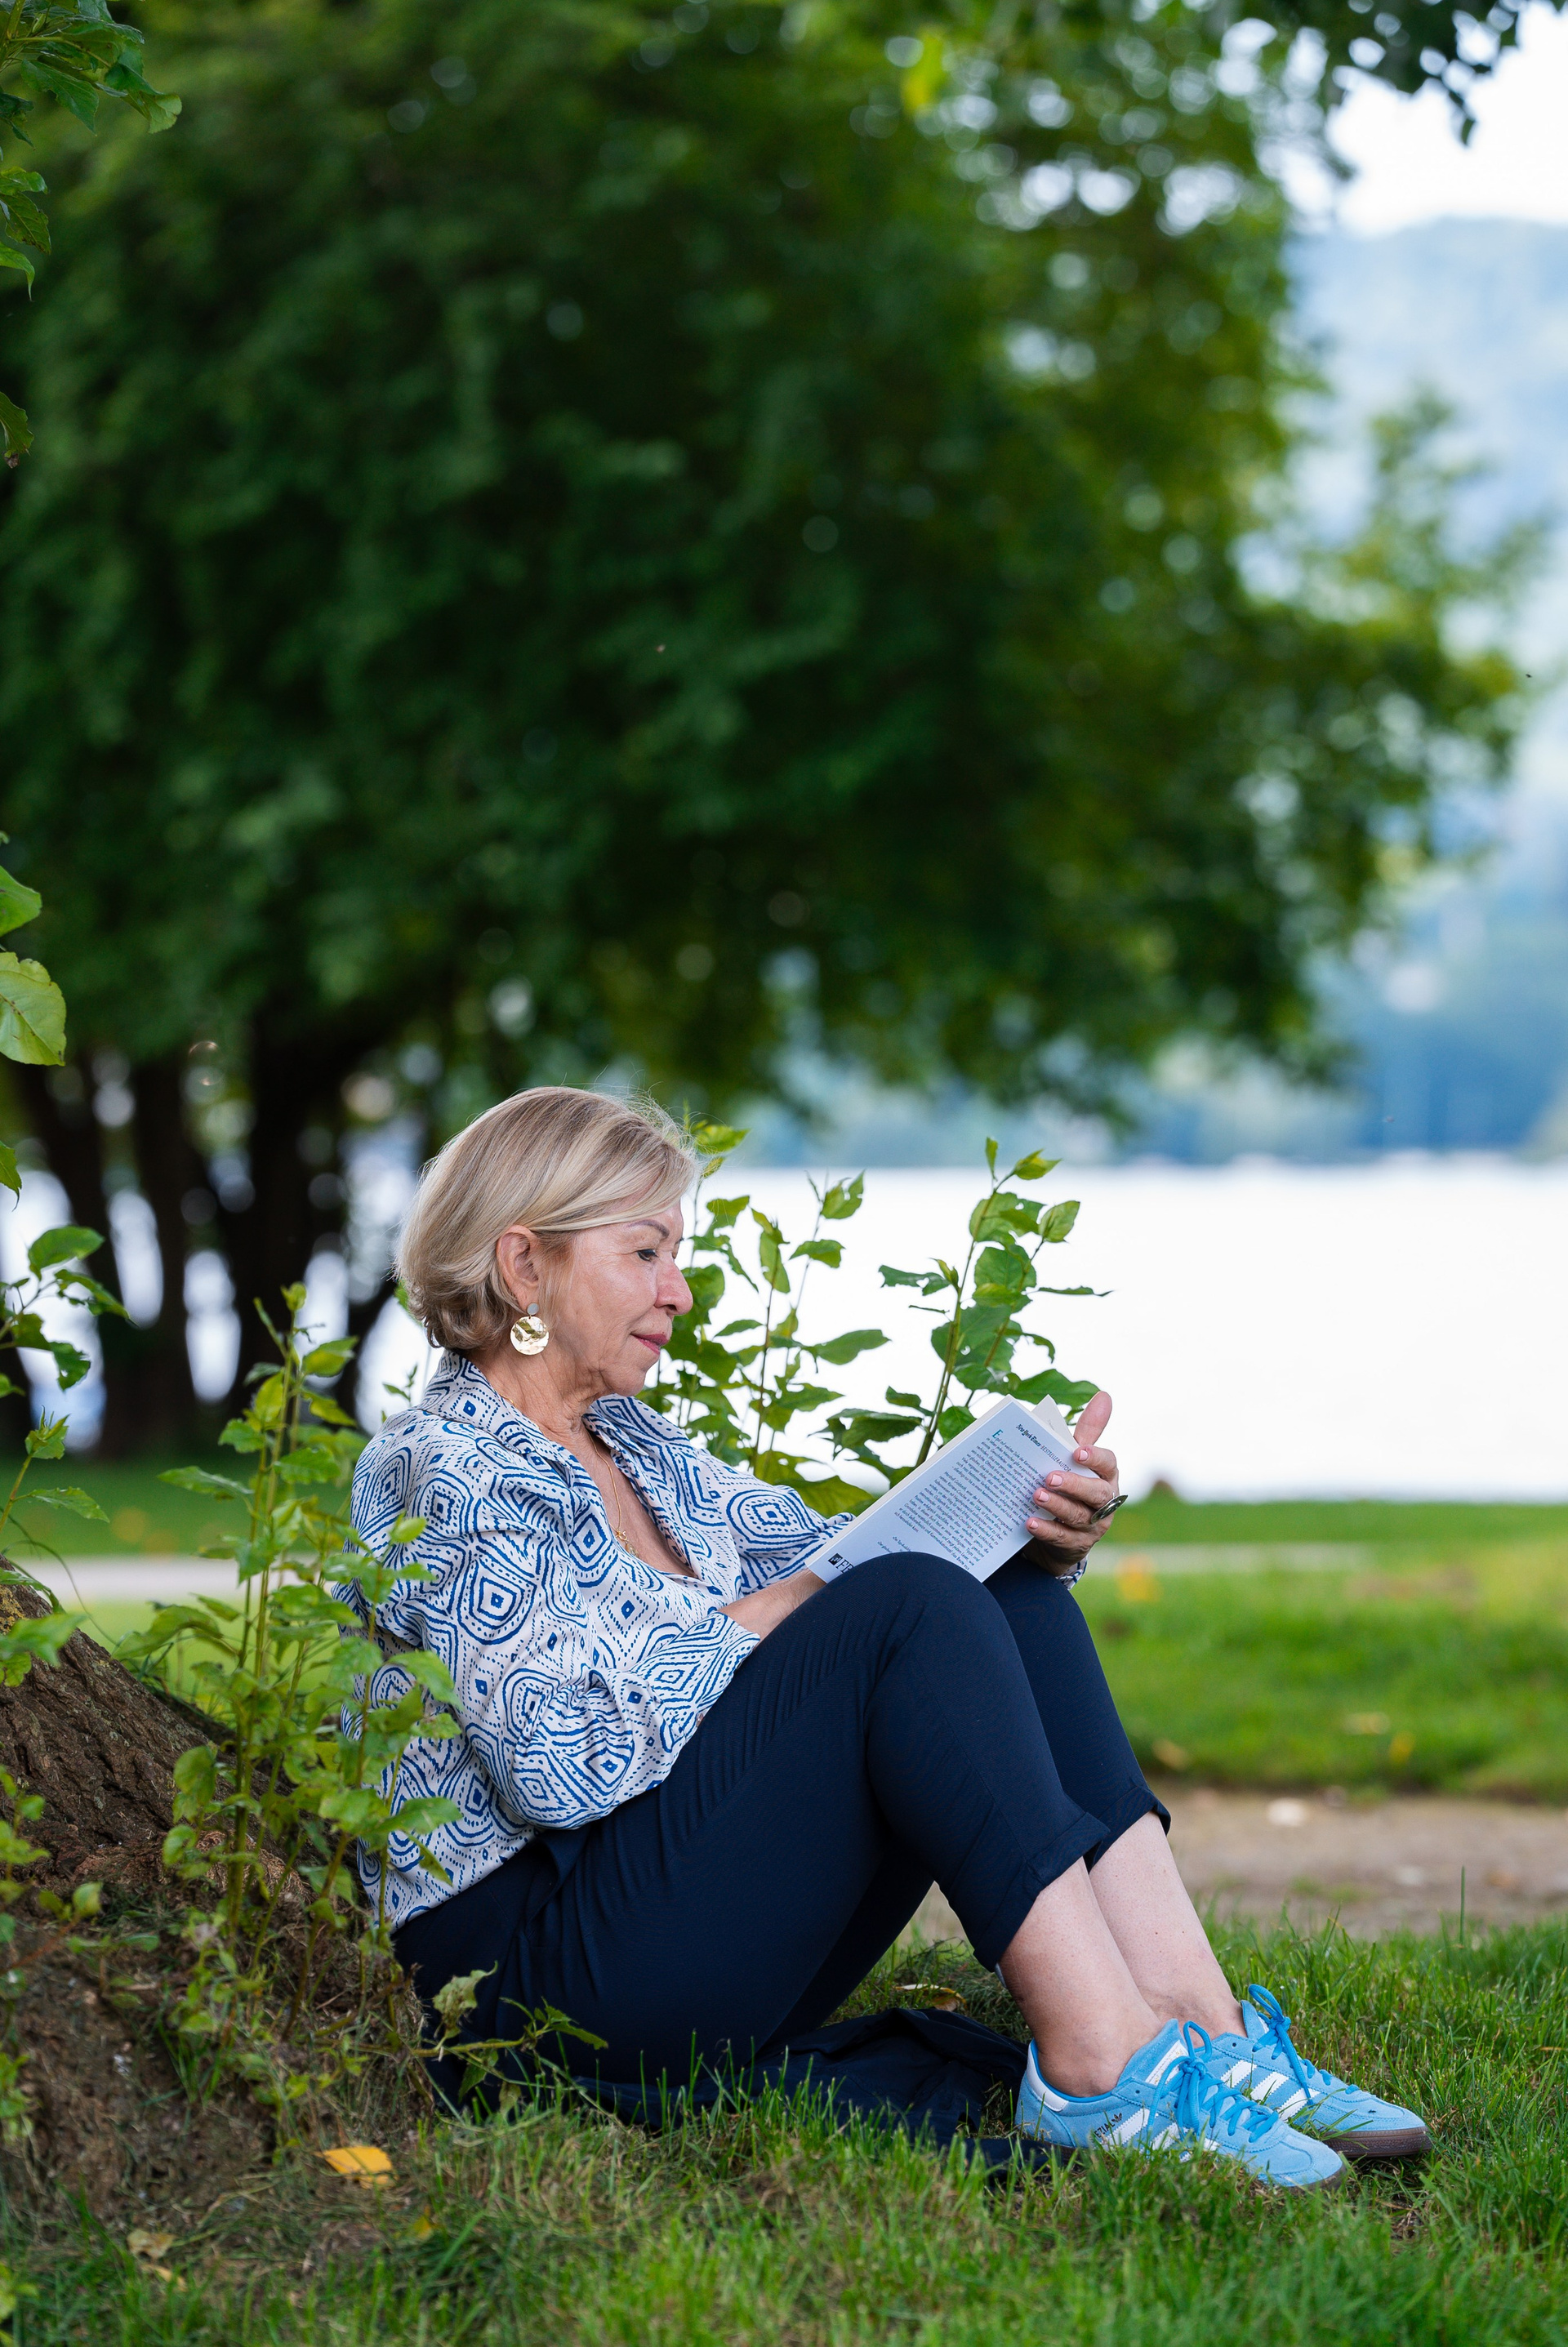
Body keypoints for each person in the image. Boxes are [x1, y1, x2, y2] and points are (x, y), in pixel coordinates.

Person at [341, 1086, 1430, 2185]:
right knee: (912, 1606)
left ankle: (1202, 2026)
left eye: (679, 1253)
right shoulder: (443, 1463)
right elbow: (553, 1764)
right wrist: (788, 1607)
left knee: (997, 1595)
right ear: (525, 1265)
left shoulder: (634, 1444)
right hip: (531, 1983)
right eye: (646, 1252)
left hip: (660, 1919)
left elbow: (845, 1568)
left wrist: (1034, 1526)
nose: (679, 1290)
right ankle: (1103, 2066)